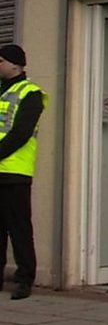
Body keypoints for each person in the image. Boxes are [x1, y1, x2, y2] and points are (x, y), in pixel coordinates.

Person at [0, 44, 46, 301]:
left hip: (15, 171)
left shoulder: (31, 93)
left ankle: (24, 279)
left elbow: (20, 133)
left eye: (1, 60)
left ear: (15, 64)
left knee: (19, 229)